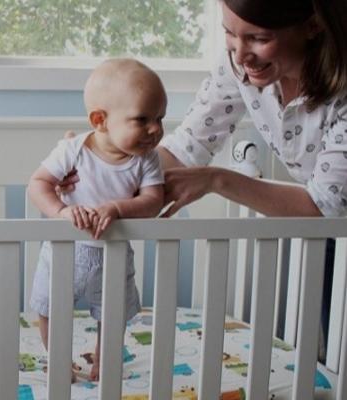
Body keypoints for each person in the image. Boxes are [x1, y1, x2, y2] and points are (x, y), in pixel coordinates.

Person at [59, 0, 347, 358]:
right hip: (330, 234)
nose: (241, 54)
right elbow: (187, 147)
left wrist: (216, 180)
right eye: (229, 33)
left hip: (331, 223)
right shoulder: (240, 69)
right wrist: (99, 168)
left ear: (313, 24)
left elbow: (326, 208)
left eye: (258, 38)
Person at [27, 58, 167, 381]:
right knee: (49, 309)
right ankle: (59, 360)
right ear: (100, 120)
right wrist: (62, 212)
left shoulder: (146, 159)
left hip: (113, 254)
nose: (156, 129)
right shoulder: (72, 150)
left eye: (160, 118)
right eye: (143, 118)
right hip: (65, 251)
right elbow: (37, 184)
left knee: (112, 315)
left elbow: (153, 201)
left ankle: (104, 360)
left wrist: (116, 209)